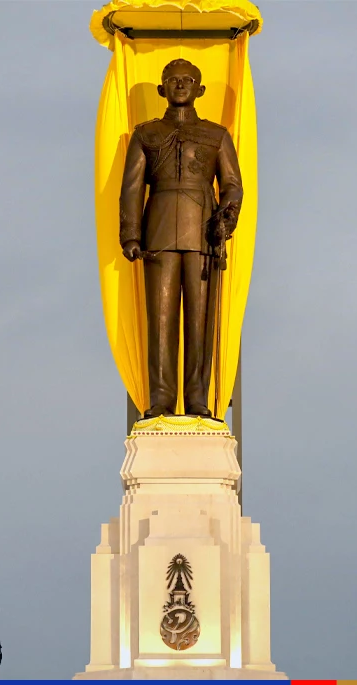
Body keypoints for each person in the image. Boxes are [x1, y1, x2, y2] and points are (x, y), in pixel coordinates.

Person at [118, 58, 243, 418]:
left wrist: (226, 219)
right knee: (160, 321)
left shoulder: (216, 134)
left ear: (200, 89)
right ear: (161, 89)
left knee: (201, 323)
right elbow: (131, 189)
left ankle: (197, 399)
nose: (179, 84)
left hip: (204, 231)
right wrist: (130, 235)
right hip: (157, 231)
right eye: (171, 80)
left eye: (188, 79)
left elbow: (233, 186)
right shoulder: (146, 134)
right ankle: (160, 398)